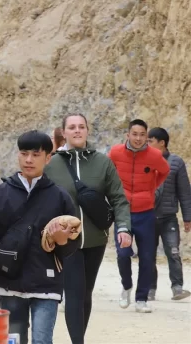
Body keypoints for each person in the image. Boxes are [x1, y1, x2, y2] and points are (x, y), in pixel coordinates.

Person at [0, 130, 81, 344]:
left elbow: (72, 247)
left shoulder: (60, 197)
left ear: (48, 158)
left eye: (36, 155)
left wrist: (61, 240)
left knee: (42, 341)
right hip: (9, 281)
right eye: (24, 153)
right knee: (14, 341)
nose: (29, 160)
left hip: (46, 283)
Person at [44, 113, 131, 343]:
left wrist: (123, 228)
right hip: (66, 241)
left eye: (81, 126)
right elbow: (41, 200)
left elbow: (118, 199)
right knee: (74, 292)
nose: (77, 131)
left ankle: (78, 339)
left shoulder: (103, 162)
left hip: (96, 239)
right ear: (64, 132)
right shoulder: (51, 164)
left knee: (86, 293)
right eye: (72, 127)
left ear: (87, 131)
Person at [108, 119, 170, 313]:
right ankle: (126, 285)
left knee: (147, 257)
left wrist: (151, 189)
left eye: (142, 135)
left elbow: (164, 171)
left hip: (146, 213)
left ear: (146, 136)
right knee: (122, 254)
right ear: (128, 135)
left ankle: (141, 299)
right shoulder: (116, 152)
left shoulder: (154, 155)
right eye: (134, 134)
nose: (138, 138)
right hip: (123, 212)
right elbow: (108, 174)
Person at [148, 127, 191, 301]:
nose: (147, 144)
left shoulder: (176, 162)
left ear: (162, 143)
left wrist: (188, 217)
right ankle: (149, 289)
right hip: (147, 217)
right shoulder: (145, 160)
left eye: (151, 141)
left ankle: (177, 287)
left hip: (169, 218)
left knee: (173, 252)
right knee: (148, 254)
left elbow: (184, 192)